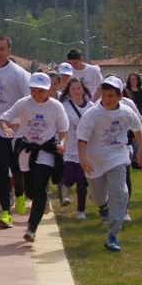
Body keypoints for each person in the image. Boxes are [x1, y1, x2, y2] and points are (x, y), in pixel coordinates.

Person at [77, 75, 142, 252]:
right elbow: (82, 138)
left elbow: (137, 128)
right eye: (104, 95)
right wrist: (82, 158)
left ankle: (112, 236)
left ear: (120, 97)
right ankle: (102, 204)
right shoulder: (92, 114)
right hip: (94, 161)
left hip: (117, 157)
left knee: (119, 192)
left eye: (111, 96)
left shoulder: (126, 111)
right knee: (99, 198)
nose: (106, 99)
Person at [0, 71, 69, 243]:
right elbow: (3, 118)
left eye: (41, 91)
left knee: (39, 187)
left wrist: (62, 143)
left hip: (46, 151)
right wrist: (6, 128)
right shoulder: (24, 103)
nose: (37, 94)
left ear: (49, 90)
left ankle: (31, 228)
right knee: (30, 191)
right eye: (34, 90)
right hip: (28, 150)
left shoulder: (56, 106)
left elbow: (63, 129)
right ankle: (40, 198)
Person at [0, 35, 32, 229]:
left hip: (17, 130)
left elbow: (28, 100)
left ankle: (20, 193)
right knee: (1, 168)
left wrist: (17, 121)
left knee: (16, 168)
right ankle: (5, 212)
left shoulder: (19, 73)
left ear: (9, 51)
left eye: (2, 49)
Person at [60, 77, 93, 220]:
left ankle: (81, 211)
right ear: (69, 91)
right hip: (69, 148)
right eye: (73, 89)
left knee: (81, 180)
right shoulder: (64, 106)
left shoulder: (91, 107)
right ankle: (65, 186)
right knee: (69, 178)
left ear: (83, 90)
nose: (76, 91)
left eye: (79, 88)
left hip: (85, 150)